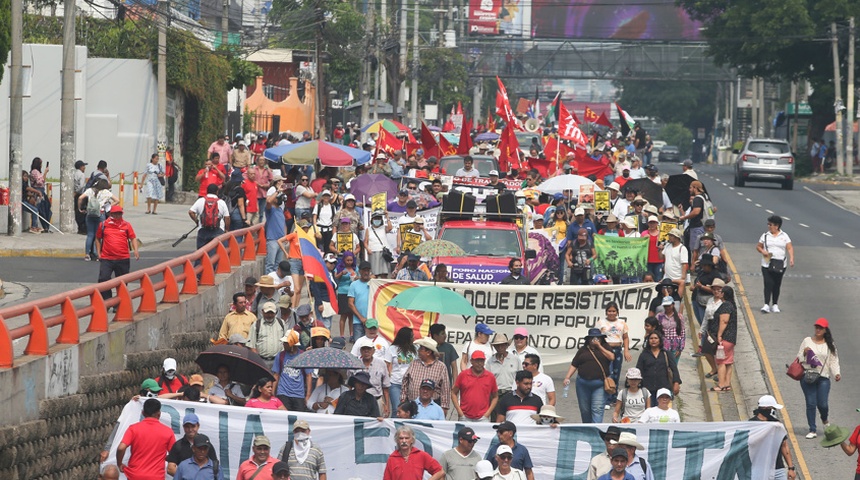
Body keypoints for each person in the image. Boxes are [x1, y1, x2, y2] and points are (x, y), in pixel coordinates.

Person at [797, 317, 841, 439]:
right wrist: (805, 353)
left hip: (823, 378)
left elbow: (833, 360)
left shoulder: (829, 345)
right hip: (808, 376)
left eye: (820, 328)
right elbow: (799, 357)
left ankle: (825, 420)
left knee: (823, 404)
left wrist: (836, 373)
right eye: (816, 327)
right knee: (811, 403)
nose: (817, 329)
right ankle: (812, 429)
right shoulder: (807, 341)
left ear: (825, 330)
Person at [563, 328, 615, 423]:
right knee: (585, 410)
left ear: (601, 339)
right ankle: (587, 429)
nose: (595, 340)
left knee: (597, 409)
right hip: (583, 383)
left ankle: (595, 431)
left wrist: (599, 346)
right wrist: (567, 377)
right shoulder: (583, 350)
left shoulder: (606, 347)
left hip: (599, 384)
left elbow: (612, 357)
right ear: (588, 339)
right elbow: (574, 364)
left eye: (597, 338)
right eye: (592, 338)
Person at [115, 398, 175, 479]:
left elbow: (121, 448)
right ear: (159, 414)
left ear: (143, 413)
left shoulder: (133, 429)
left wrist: (119, 463)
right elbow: (174, 454)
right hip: (156, 476)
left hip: (134, 475)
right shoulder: (168, 431)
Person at [95, 206, 140, 300]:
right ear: (111, 214)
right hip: (107, 258)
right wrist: (99, 252)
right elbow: (98, 238)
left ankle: (119, 303)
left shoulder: (126, 225)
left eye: (119, 213)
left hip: (123, 258)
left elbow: (133, 238)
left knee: (122, 282)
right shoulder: (103, 225)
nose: (117, 215)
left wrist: (136, 250)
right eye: (115, 213)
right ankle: (107, 300)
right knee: (103, 279)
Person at [749, 395, 796, 480]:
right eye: (772, 408)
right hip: (759, 469)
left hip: (778, 469)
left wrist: (791, 468)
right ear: (766, 408)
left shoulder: (776, 424)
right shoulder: (751, 425)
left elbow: (784, 445)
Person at [400, 337, 452, 414]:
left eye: (421, 348)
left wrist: (444, 408)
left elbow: (445, 389)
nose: (418, 350)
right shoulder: (414, 363)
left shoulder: (441, 367)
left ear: (428, 352)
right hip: (412, 406)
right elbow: (405, 382)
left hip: (432, 407)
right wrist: (403, 399)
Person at [757, 215, 794, 314]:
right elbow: (758, 246)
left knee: (777, 284)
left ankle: (775, 304)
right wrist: (763, 251)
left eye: (771, 224)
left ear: (777, 226)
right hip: (767, 263)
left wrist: (791, 258)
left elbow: (789, 247)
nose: (769, 226)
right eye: (768, 224)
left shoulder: (784, 236)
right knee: (768, 283)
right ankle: (766, 304)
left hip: (780, 263)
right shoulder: (765, 235)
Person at [598, 302, 631, 409]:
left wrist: (626, 351)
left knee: (616, 374)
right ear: (606, 312)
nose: (611, 313)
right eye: (609, 311)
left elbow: (625, 337)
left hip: (617, 350)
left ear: (617, 312)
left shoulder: (622, 323)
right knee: (608, 374)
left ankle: (614, 398)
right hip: (605, 350)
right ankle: (606, 399)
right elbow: (596, 337)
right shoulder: (601, 322)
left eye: (613, 311)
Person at [78, 178, 117, 261]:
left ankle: (87, 254)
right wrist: (109, 206)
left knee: (90, 234)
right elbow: (117, 200)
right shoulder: (106, 192)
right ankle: (97, 254)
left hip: (90, 214)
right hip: (100, 214)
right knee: (99, 235)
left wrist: (80, 208)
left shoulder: (90, 190)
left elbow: (80, 198)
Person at [452, 351, 499, 421]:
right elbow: (453, 393)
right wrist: (459, 412)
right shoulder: (463, 375)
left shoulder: (490, 377)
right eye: (477, 361)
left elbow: (495, 397)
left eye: (481, 361)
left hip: (483, 418)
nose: (479, 363)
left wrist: (488, 413)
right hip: (464, 416)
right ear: (471, 361)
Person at [636, 331, 681, 404]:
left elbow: (674, 369)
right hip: (648, 389)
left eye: (656, 338)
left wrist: (676, 383)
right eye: (651, 338)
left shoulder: (666, 354)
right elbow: (638, 371)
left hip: (663, 388)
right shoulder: (644, 355)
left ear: (660, 340)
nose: (653, 340)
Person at [273, 330, 311, 411]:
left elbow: (309, 375)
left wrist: (308, 395)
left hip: (299, 394)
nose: (283, 344)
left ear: (292, 344)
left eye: (286, 343)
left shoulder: (303, 357)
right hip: (283, 393)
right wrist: (273, 393)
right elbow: (276, 375)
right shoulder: (280, 356)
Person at [710, 286, 738, 393]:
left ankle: (721, 385)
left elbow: (724, 321)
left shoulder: (726, 305)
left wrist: (719, 335)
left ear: (724, 294)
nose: (719, 293)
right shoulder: (732, 305)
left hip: (725, 338)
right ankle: (727, 384)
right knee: (728, 362)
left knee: (721, 361)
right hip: (731, 339)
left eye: (721, 292)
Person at [355, 336, 392, 417]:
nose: (366, 351)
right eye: (364, 349)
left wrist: (387, 406)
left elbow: (385, 387)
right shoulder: (355, 364)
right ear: (360, 351)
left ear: (373, 351)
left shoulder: (381, 364)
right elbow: (350, 385)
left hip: (376, 400)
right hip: (359, 401)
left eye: (369, 349)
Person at [385, 326, 417, 415]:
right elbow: (386, 365)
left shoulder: (415, 349)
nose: (413, 338)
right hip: (395, 383)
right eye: (412, 336)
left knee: (410, 411)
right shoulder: (392, 349)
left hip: (411, 383)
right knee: (397, 409)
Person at [189, 183, 230, 250]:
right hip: (217, 230)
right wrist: (227, 230)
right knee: (217, 252)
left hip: (203, 230)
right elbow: (227, 218)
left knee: (201, 253)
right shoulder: (221, 202)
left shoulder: (200, 201)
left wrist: (197, 221)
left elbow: (191, 212)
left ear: (207, 191)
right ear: (217, 192)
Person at [248, 301, 288, 368]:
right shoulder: (256, 325)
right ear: (262, 312)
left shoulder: (281, 323)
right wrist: (258, 360)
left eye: (272, 313)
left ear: (275, 312)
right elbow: (251, 346)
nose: (269, 315)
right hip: (262, 361)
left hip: (278, 360)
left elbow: (287, 341)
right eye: (267, 313)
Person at [347, 262, 373, 341]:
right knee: (358, 347)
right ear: (360, 271)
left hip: (372, 321)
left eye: (368, 270)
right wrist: (361, 318)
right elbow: (350, 303)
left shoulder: (374, 284)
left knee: (372, 347)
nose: (366, 272)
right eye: (364, 270)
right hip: (358, 321)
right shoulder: (354, 285)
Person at [656, 296, 685, 361]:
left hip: (675, 346)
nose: (667, 307)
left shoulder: (679, 316)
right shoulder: (659, 316)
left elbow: (682, 333)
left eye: (669, 305)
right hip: (662, 346)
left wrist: (680, 348)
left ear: (673, 304)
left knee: (673, 367)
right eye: (665, 306)